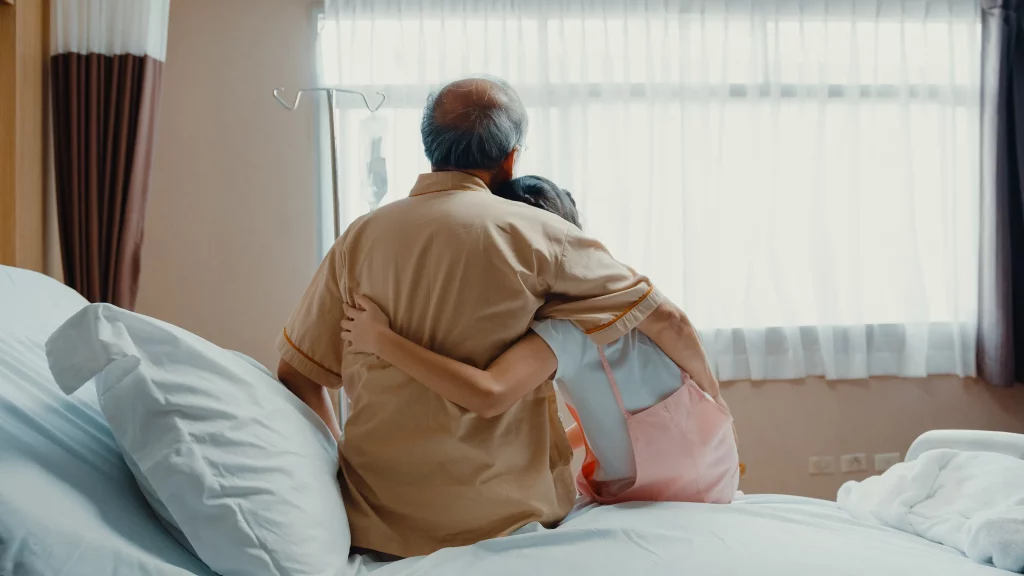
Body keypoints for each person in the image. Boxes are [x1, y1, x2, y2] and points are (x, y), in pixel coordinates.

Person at [275, 76, 718, 558]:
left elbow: (297, 375)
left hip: (379, 527)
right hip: (510, 522)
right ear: (510, 159)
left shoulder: (358, 240)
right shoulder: (543, 236)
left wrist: (341, 475)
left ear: (429, 149)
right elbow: (667, 321)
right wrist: (714, 411)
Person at [340, 176, 739, 505]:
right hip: (711, 463)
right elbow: (662, 342)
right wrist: (712, 399)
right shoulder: (614, 295)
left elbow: (489, 393)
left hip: (669, 489)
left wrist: (381, 339)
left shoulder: (567, 328)